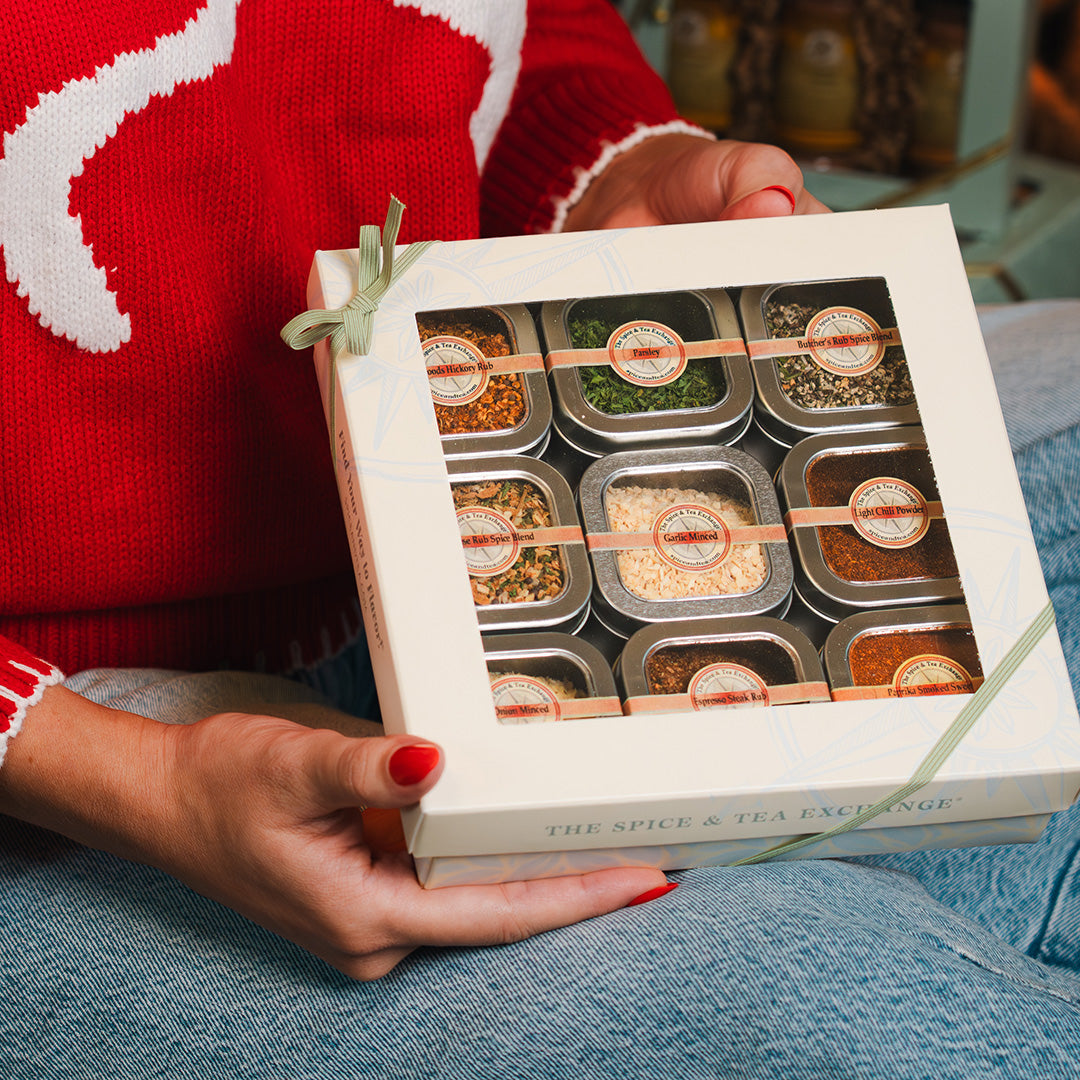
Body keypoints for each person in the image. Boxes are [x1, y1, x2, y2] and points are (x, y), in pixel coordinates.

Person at [1, 2, 1078, 1077]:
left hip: (434, 466)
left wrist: (614, 176)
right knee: (815, 1003)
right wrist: (114, 771)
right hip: (69, 729)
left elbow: (505, 30)